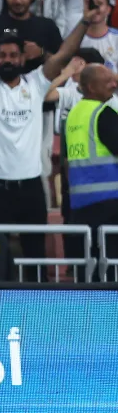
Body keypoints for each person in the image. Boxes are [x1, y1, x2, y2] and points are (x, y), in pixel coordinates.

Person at [0, 0, 92, 282]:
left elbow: (63, 55)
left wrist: (85, 21)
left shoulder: (37, 83)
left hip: (30, 188)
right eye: (2, 55)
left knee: (36, 252)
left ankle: (37, 308)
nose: (8, 60)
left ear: (22, 58)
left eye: (13, 55)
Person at [64, 63, 118, 277]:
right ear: (91, 87)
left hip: (80, 207)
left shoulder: (73, 116)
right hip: (111, 205)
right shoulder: (103, 113)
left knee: (89, 271)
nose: (113, 85)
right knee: (111, 269)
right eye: (108, 82)